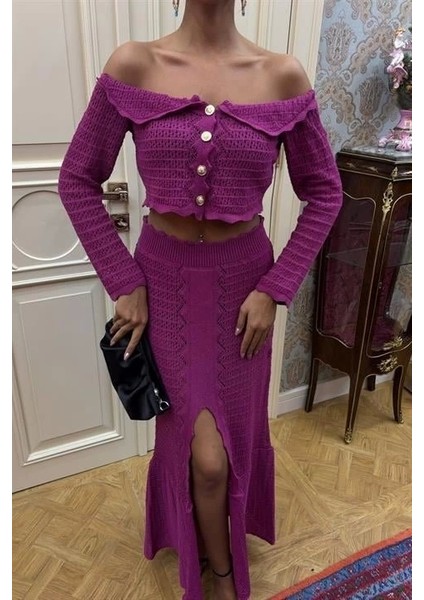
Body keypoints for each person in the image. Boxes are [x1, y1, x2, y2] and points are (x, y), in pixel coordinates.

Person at [58, 1, 343, 598]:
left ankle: (218, 563)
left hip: (245, 293)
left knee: (223, 449)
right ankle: (219, 574)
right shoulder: (135, 64)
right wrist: (123, 280)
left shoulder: (282, 76)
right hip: (164, 287)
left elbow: (325, 194)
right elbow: (77, 178)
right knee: (199, 455)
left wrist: (275, 288)